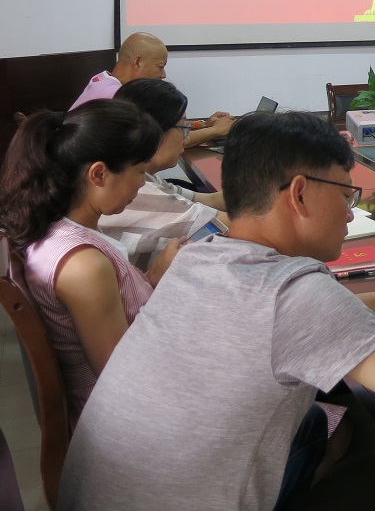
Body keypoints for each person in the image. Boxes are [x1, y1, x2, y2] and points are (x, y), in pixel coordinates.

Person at [60, 111, 375, 511]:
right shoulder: (296, 296)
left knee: (316, 421)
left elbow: (305, 325)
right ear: (299, 194)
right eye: (345, 195)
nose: (349, 213)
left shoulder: (198, 256)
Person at [0, 101, 171, 425]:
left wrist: (152, 278)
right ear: (98, 173)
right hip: (121, 422)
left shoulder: (58, 229)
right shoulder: (83, 265)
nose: (142, 182)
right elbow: (121, 379)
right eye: (139, 171)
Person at [101, 79, 228, 269]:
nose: (186, 139)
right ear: (154, 131)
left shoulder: (139, 175)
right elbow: (237, 226)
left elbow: (207, 200)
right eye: (183, 128)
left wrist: (257, 187)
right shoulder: (136, 190)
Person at [70, 31, 233, 147]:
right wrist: (216, 131)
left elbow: (161, 125)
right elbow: (162, 142)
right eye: (160, 67)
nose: (163, 75)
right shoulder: (115, 99)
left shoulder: (104, 80)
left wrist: (201, 125)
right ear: (137, 62)